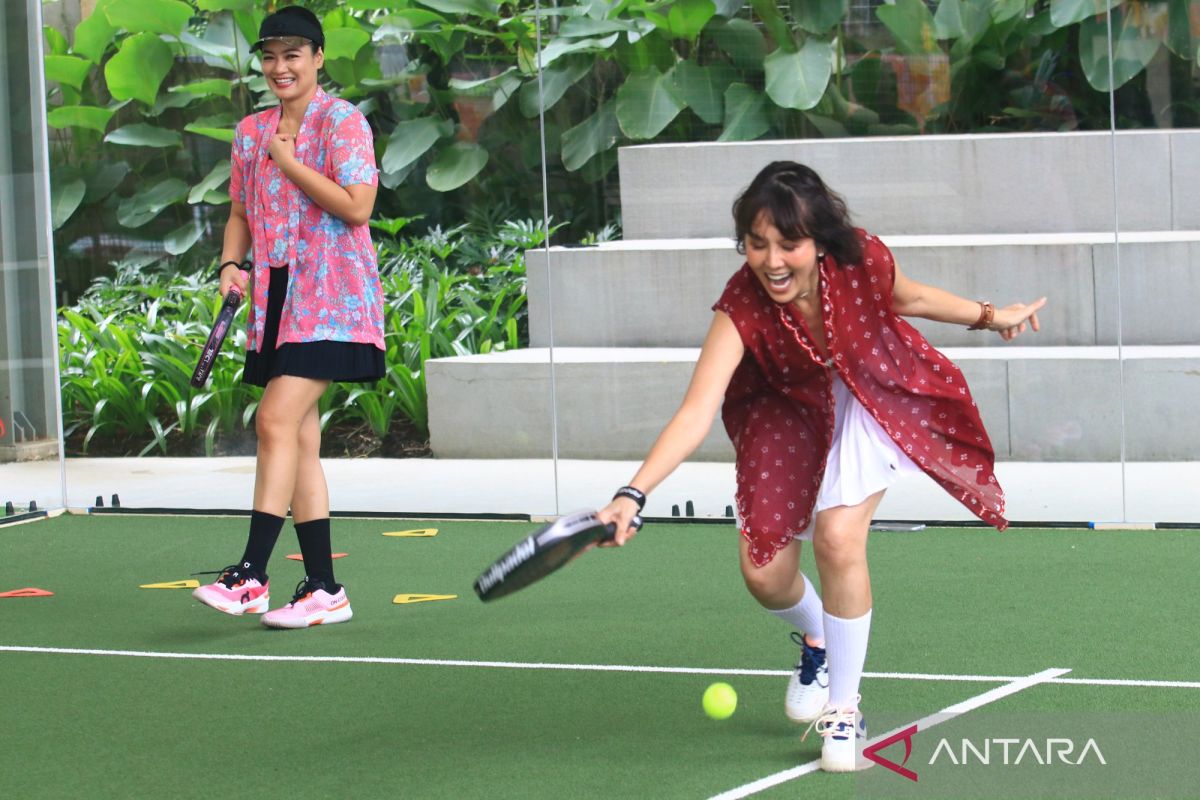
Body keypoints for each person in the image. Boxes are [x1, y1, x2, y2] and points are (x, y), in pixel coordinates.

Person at [597, 161, 1046, 771]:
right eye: (757, 244)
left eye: (789, 244)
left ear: (819, 240)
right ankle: (820, 639)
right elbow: (696, 411)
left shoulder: (861, 260)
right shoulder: (741, 306)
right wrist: (633, 492)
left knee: (838, 537)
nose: (772, 260)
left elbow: (910, 298)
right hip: (784, 412)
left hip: (865, 391)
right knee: (764, 575)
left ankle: (843, 707)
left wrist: (996, 316)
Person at [192, 6, 384, 629]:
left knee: (275, 419)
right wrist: (230, 265)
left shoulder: (344, 122)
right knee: (299, 439)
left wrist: (292, 161)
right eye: (270, 56)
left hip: (334, 299)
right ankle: (325, 589)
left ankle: (251, 573)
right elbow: (241, 213)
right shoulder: (250, 132)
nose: (280, 67)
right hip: (276, 302)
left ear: (318, 58)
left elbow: (357, 208)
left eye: (293, 55)